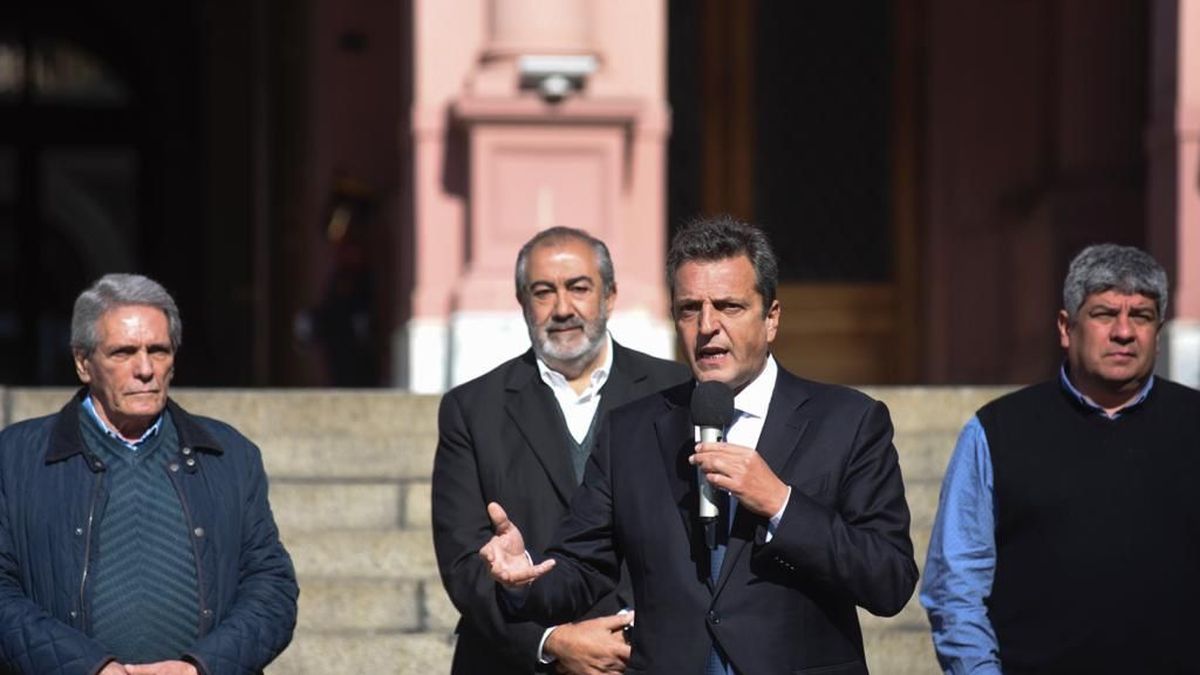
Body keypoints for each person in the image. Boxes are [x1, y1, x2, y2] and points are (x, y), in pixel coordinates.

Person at [479, 216, 918, 674]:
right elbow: (582, 569)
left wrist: (781, 504)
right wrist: (523, 576)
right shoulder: (629, 432)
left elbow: (888, 581)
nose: (707, 326)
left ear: (771, 319)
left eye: (728, 307)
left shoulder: (848, 422)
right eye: (690, 309)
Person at [921, 243, 1200, 674]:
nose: (1124, 332)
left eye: (1140, 316)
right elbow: (955, 586)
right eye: (1105, 314)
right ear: (1067, 328)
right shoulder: (997, 432)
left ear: (1157, 334)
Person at [0, 274, 298, 675]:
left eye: (158, 350)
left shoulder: (229, 455)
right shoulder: (15, 457)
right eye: (123, 353)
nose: (145, 369)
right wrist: (89, 668)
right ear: (83, 363)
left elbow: (272, 587)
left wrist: (201, 668)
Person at [432, 227, 690, 674]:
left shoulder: (676, 393)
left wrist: (627, 633)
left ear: (609, 297)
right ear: (522, 303)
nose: (563, 308)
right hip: (516, 658)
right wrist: (552, 642)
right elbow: (462, 560)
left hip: (646, 657)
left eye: (578, 288)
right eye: (543, 292)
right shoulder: (472, 409)